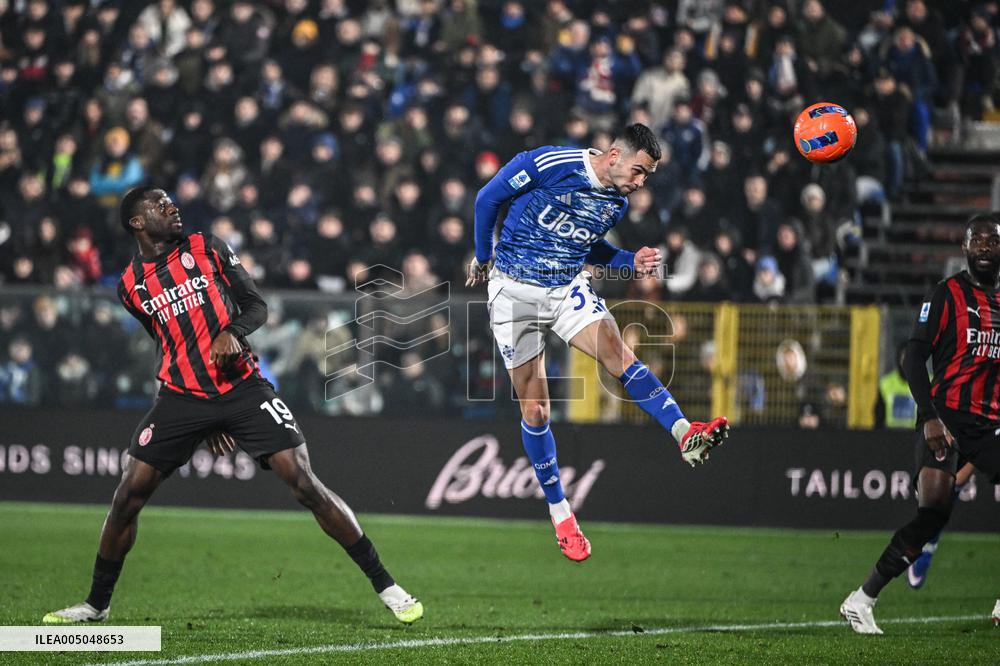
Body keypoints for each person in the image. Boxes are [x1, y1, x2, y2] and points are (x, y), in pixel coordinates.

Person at [42, 187, 423, 625]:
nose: (173, 207)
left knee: (303, 482)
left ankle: (387, 586)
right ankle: (96, 605)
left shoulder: (208, 247)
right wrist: (205, 417)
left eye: (172, 201)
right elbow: (166, 339)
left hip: (242, 388)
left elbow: (256, 305)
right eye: (161, 205)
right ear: (138, 223)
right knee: (127, 495)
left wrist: (234, 332)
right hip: (182, 397)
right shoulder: (130, 286)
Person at [468, 124, 729, 562]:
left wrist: (630, 261)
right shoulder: (551, 163)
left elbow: (591, 247)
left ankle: (685, 433)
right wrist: (482, 254)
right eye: (639, 171)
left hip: (567, 288)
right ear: (613, 156)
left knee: (619, 356)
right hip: (514, 291)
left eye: (647, 176)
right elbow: (486, 199)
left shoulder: (616, 203)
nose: (641, 182)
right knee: (536, 409)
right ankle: (561, 513)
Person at [839, 214, 1000, 634]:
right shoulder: (947, 294)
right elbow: (913, 356)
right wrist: (928, 415)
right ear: (965, 248)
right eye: (977, 241)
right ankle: (862, 599)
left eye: (993, 242)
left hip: (987, 426)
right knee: (932, 515)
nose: (985, 248)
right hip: (944, 419)